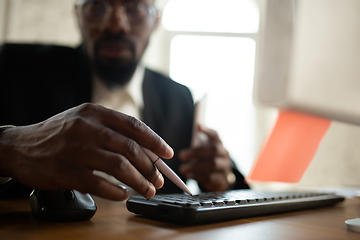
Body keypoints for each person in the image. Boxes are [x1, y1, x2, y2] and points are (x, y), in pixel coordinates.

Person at [0, 0, 248, 201]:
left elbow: (234, 183)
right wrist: (9, 148)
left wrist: (221, 179)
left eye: (135, 8)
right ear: (77, 16)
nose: (116, 25)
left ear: (156, 21)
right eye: (97, 7)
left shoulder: (178, 97)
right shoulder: (16, 69)